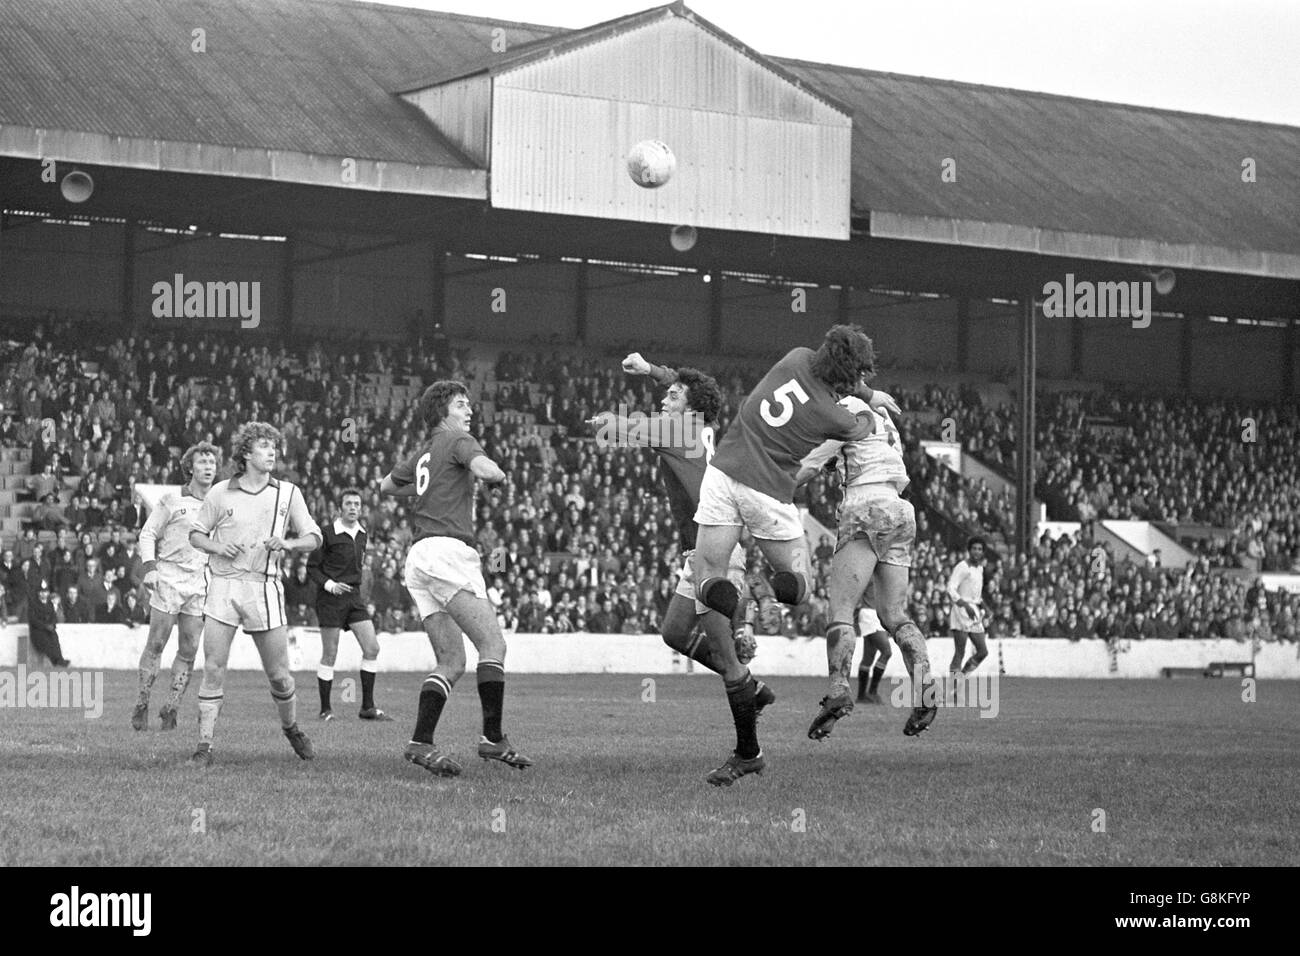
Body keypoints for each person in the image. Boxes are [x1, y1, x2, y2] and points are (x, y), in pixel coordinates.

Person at [690, 326, 899, 769]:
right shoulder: (838, 417)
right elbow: (859, 422)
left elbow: (832, 378)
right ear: (851, 375)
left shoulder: (796, 356)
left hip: (723, 473)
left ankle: (734, 599)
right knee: (801, 586)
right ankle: (763, 592)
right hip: (767, 491)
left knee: (706, 578)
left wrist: (860, 385)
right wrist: (872, 400)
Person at [589, 352, 774, 786]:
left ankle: (749, 753)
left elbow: (631, 427)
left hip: (716, 552)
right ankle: (753, 689)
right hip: (703, 549)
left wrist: (607, 423)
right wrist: (652, 371)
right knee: (674, 631)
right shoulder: (700, 426)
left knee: (729, 662)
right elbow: (686, 383)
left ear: (688, 407)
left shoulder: (678, 429)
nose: (664, 398)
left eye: (671, 396)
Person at [380, 381, 532, 778]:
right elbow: (486, 469)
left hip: (418, 558)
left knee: (451, 660)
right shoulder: (459, 440)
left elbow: (385, 486)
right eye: (462, 404)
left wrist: (429, 491)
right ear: (445, 412)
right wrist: (496, 475)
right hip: (448, 553)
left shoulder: (425, 450)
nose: (469, 411)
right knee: (493, 644)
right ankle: (492, 738)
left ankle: (420, 743)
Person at [796, 392, 937, 738]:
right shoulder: (884, 417)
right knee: (894, 613)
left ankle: (839, 691)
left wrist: (772, 487)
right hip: (900, 509)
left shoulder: (843, 410)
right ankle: (927, 690)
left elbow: (812, 464)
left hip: (865, 506)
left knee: (841, 610)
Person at [186, 423, 322, 767]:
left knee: (279, 675)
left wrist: (289, 543)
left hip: (265, 587)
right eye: (264, 446)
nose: (272, 452)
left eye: (274, 446)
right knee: (214, 667)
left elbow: (314, 536)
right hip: (224, 586)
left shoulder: (288, 492)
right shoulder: (220, 493)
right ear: (246, 453)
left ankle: (291, 727)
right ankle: (204, 746)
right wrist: (218, 546)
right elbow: (196, 536)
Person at [132, 443, 218, 731]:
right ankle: (143, 702)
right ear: (190, 467)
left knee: (189, 649)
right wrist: (150, 568)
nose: (208, 467)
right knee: (156, 644)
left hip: (199, 583)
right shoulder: (171, 499)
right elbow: (148, 533)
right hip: (168, 578)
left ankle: (171, 708)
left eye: (212, 462)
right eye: (202, 461)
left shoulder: (219, 504)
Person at [309, 488, 392, 722]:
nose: (353, 507)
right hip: (330, 599)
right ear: (339, 508)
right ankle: (325, 709)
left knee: (372, 648)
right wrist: (330, 585)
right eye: (348, 504)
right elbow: (312, 568)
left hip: (354, 598)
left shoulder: (363, 534)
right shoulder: (325, 533)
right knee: (330, 654)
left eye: (357, 503)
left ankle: (367, 707)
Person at [947, 537, 989, 678]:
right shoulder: (962, 566)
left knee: (983, 651)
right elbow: (951, 588)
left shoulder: (980, 569)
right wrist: (964, 605)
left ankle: (961, 678)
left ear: (983, 552)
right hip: (961, 610)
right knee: (960, 651)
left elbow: (976, 595)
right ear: (969, 550)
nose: (977, 552)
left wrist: (986, 607)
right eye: (974, 548)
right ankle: (953, 689)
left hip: (974, 610)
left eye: (980, 549)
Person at [854, 602, 891, 704]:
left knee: (868, 657)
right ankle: (872, 692)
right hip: (870, 613)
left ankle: (861, 696)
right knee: (887, 652)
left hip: (873, 612)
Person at [28, 581, 71, 667]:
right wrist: (45, 626)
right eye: (42, 592)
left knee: (55, 640)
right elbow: (33, 620)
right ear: (38, 593)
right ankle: (57, 661)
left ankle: (59, 659)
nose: (44, 594)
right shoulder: (33, 604)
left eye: (46, 592)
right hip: (38, 631)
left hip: (49, 629)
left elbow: (53, 617)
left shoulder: (50, 604)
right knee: (46, 642)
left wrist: (52, 625)